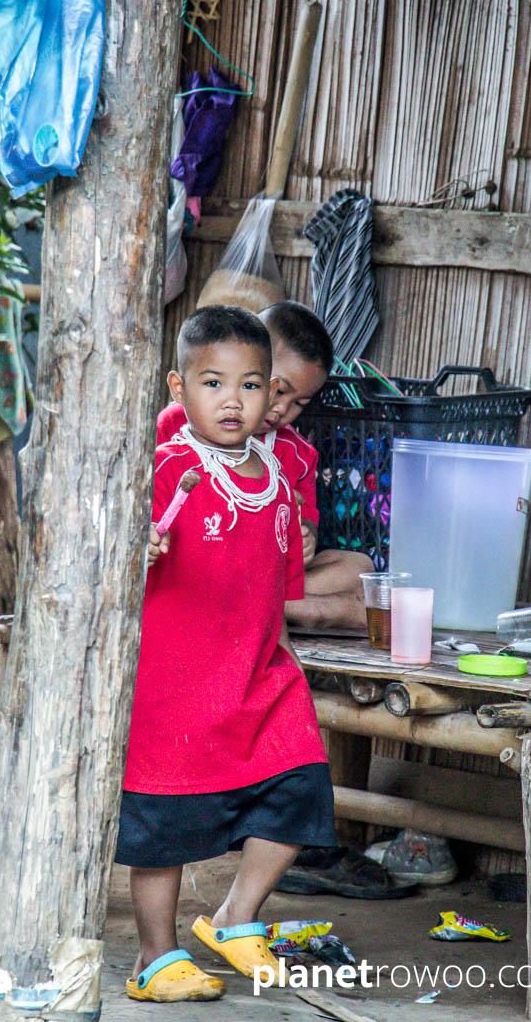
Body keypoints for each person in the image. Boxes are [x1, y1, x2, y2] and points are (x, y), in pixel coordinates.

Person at [117, 306, 337, 1003]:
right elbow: (120, 550)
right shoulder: (167, 463)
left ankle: (234, 920)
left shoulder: (281, 467)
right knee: (164, 826)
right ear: (180, 389)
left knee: (300, 781)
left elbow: (280, 578)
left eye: (252, 386)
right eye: (215, 384)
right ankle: (155, 957)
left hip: (255, 669)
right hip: (172, 680)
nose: (237, 402)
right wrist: (135, 548)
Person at [158, 300, 372, 631]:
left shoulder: (298, 454)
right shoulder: (177, 426)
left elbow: (307, 523)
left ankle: (272, 605)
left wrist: (307, 537)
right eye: (278, 390)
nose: (281, 408)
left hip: (266, 571)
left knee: (359, 565)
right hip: (196, 571)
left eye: (299, 403)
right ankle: (303, 611)